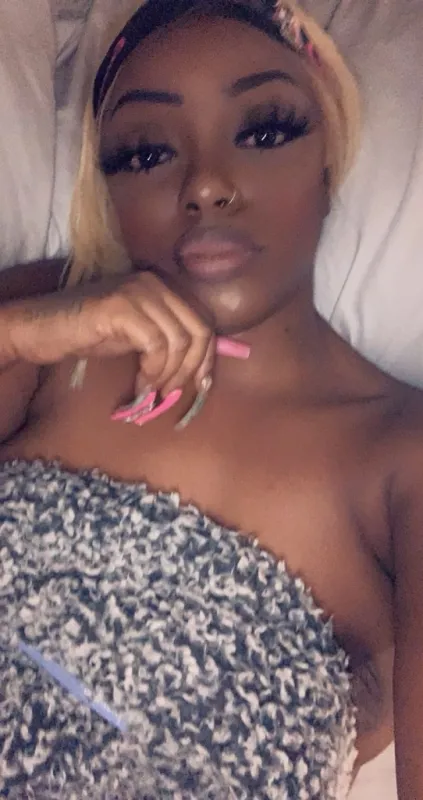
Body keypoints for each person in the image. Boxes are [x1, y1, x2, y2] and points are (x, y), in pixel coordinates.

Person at [0, 0, 422, 796]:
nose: (204, 184)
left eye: (264, 131)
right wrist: (23, 333)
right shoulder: (50, 330)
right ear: (110, 192)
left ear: (328, 160)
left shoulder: (403, 454)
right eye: (145, 152)